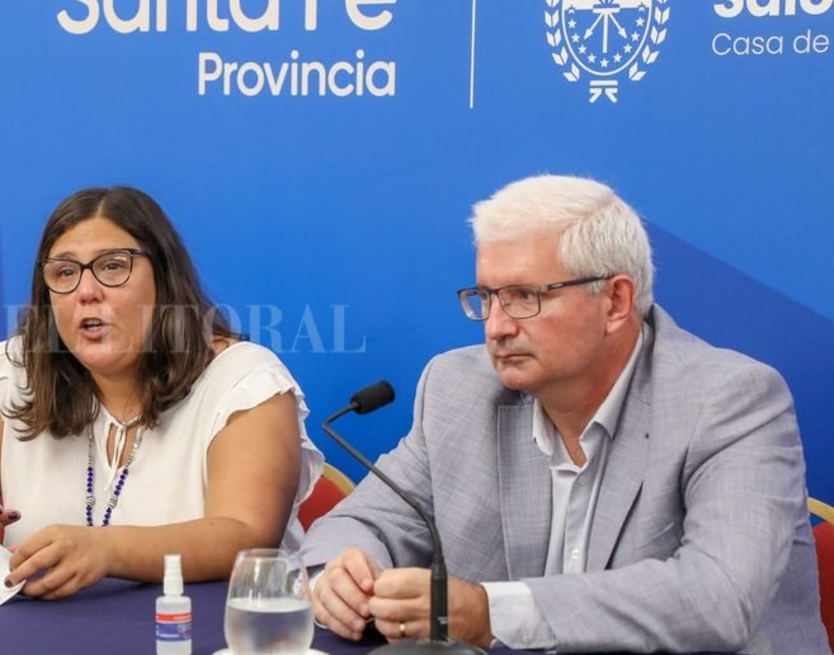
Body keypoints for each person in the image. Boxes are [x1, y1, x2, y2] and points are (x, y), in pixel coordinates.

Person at [301, 175, 828, 654]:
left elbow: (718, 597)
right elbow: (361, 521)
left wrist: (489, 612)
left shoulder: (729, 401)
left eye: (524, 296)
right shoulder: (458, 389)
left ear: (615, 301)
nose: (496, 326)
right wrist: (339, 576)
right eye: (486, 297)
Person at [0, 185, 323, 599]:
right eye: (65, 272)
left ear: (164, 278)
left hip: (204, 632)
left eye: (113, 266)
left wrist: (107, 550)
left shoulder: (242, 381)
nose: (86, 292)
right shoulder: (23, 375)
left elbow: (245, 535)